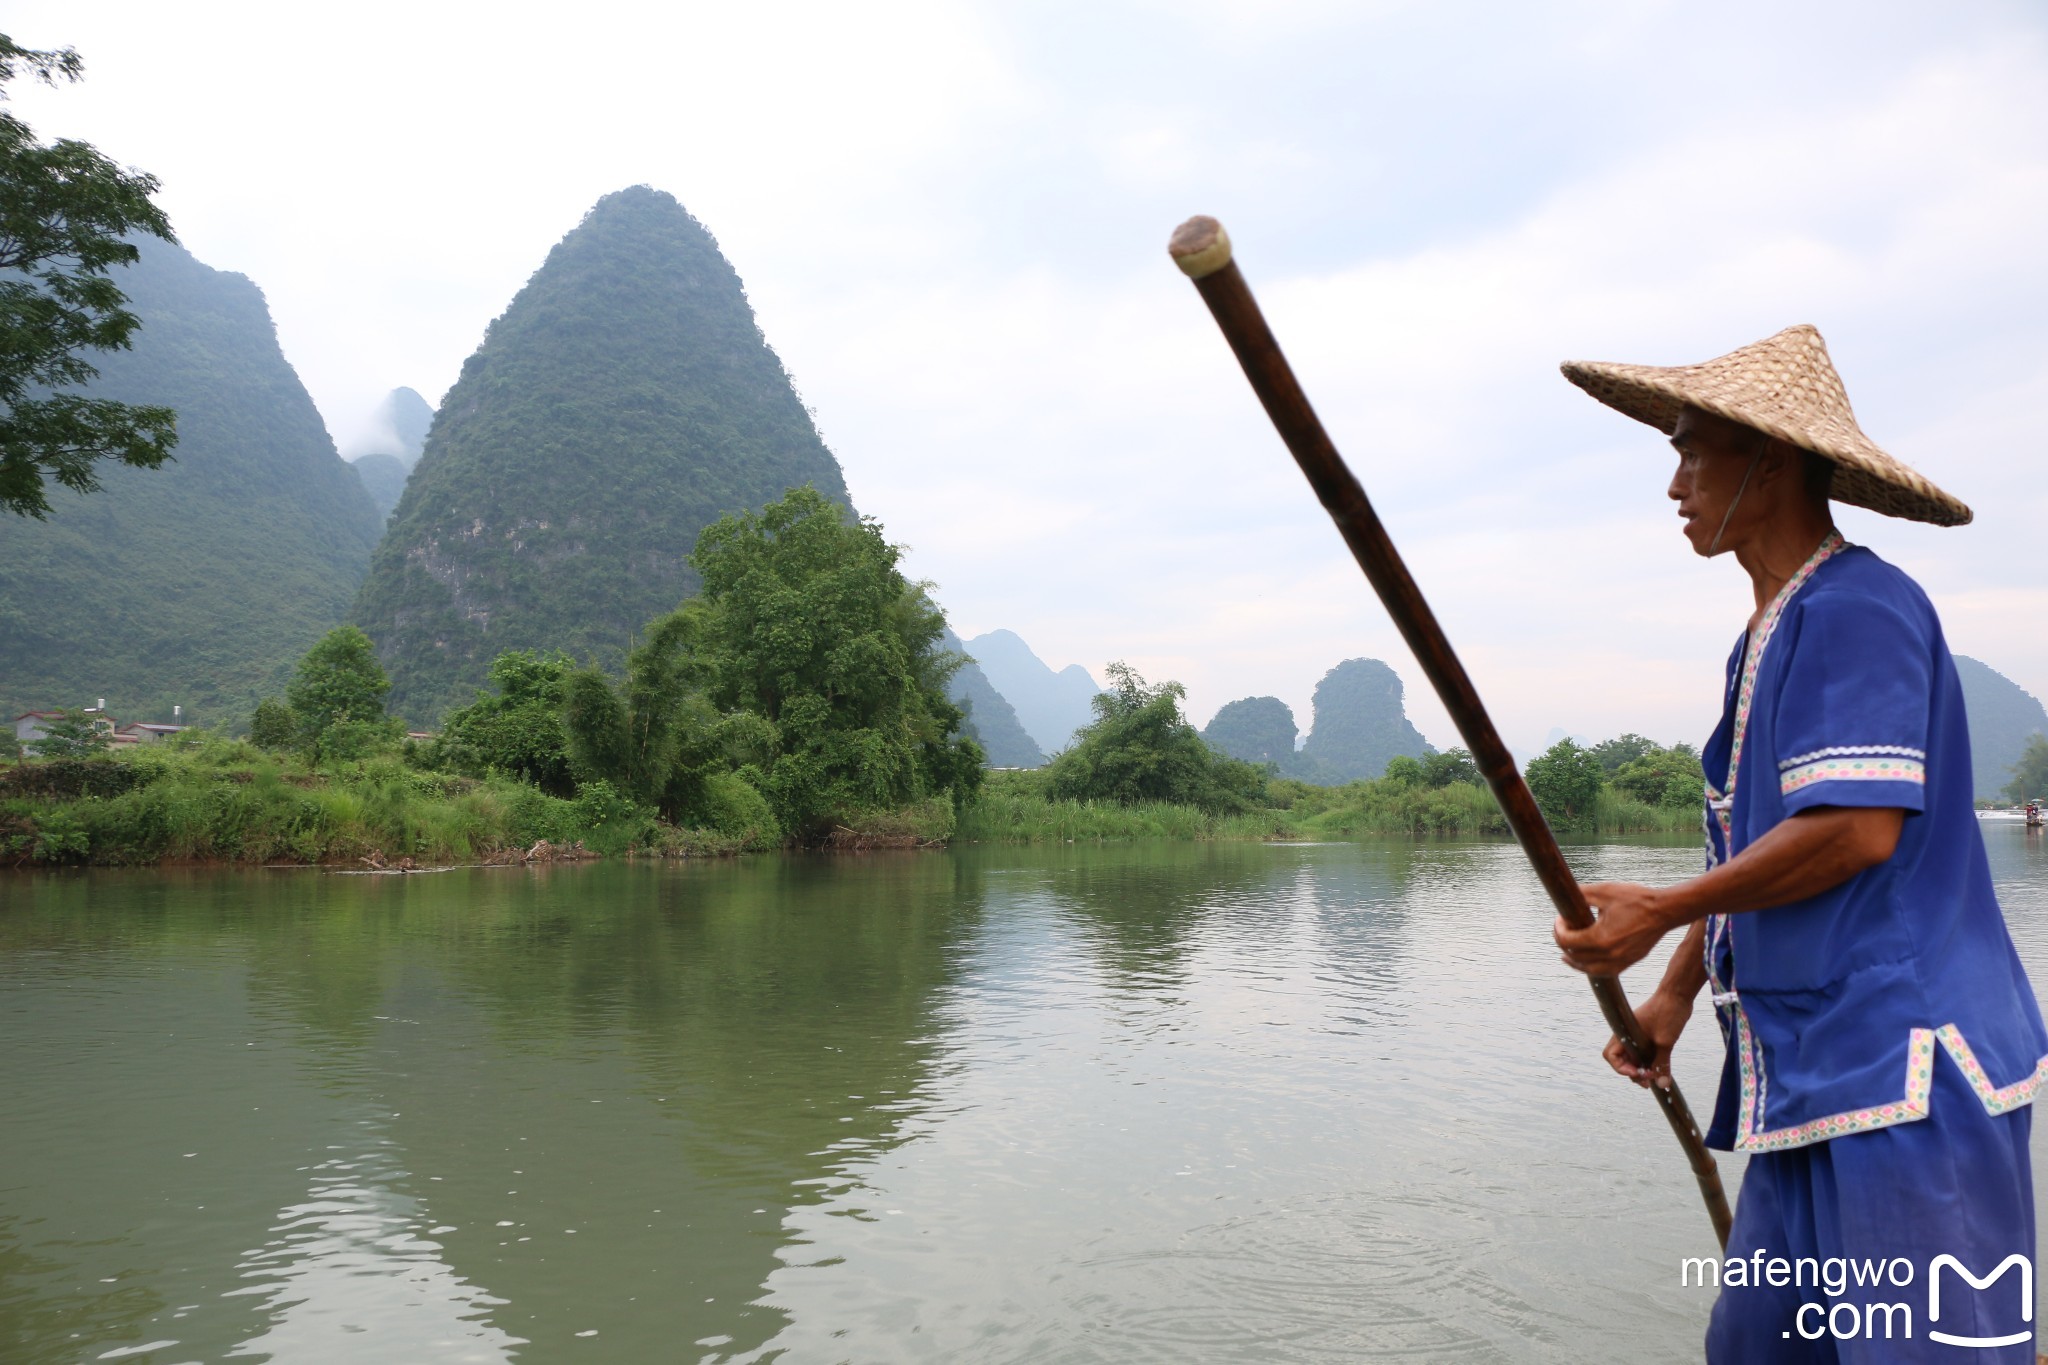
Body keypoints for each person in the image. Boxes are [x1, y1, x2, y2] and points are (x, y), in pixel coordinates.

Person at [1551, 325, 2048, 1363]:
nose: (1675, 482)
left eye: (1694, 451)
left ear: (1769, 460)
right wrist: (1678, 994)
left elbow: (1855, 832)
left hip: (1908, 1071)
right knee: (1756, 1349)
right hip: (1808, 1073)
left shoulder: (1855, 606)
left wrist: (1661, 909)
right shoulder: (1763, 635)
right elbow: (1762, 845)